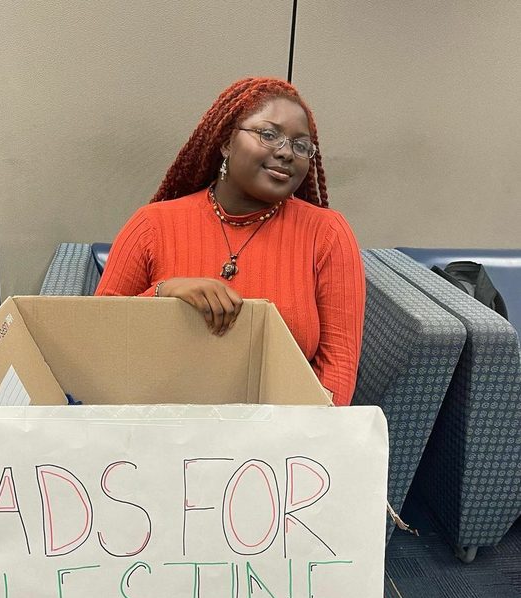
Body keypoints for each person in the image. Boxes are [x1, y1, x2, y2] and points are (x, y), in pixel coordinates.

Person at [95, 77, 365, 406]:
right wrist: (164, 292)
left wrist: (302, 439)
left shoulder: (327, 233)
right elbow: (101, 338)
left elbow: (338, 367)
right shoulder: (152, 224)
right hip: (161, 423)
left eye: (300, 145)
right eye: (269, 134)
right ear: (226, 141)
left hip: (277, 437)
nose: (285, 153)